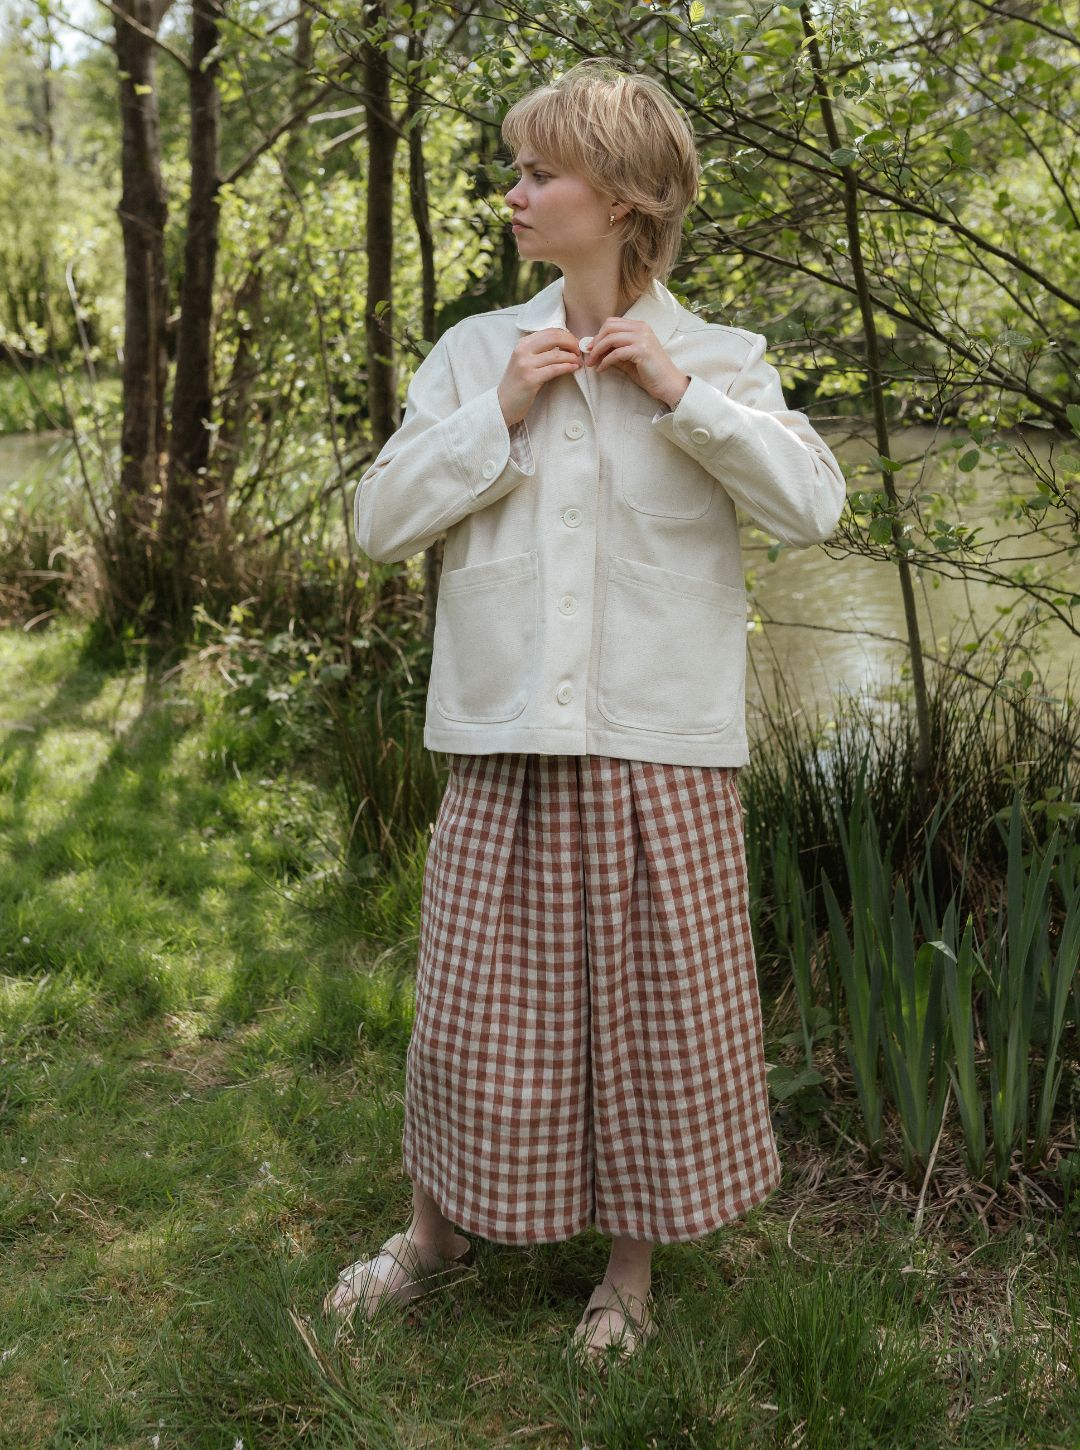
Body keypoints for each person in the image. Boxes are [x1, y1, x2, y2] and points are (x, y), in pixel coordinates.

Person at [324, 58, 846, 1367]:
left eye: (537, 172)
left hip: (660, 753)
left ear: (621, 198)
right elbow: (379, 521)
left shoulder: (720, 359)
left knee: (654, 1020)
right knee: (469, 1012)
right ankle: (435, 1233)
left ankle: (628, 1273)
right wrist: (498, 412)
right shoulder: (473, 354)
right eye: (517, 170)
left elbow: (813, 508)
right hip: (502, 744)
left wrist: (683, 400)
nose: (513, 193)